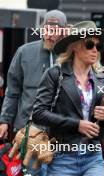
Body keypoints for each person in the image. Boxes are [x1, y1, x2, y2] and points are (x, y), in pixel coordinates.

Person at [32, 21, 104, 176]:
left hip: (93, 158)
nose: (95, 50)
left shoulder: (102, 80)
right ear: (75, 46)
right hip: (62, 159)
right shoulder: (55, 75)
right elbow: (38, 113)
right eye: (89, 44)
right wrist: (76, 125)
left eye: (98, 46)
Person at [0, 9, 68, 175]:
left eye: (55, 30)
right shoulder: (24, 52)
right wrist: (4, 120)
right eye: (47, 29)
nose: (50, 35)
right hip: (29, 130)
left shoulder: (71, 55)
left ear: (64, 32)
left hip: (62, 132)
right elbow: (13, 90)